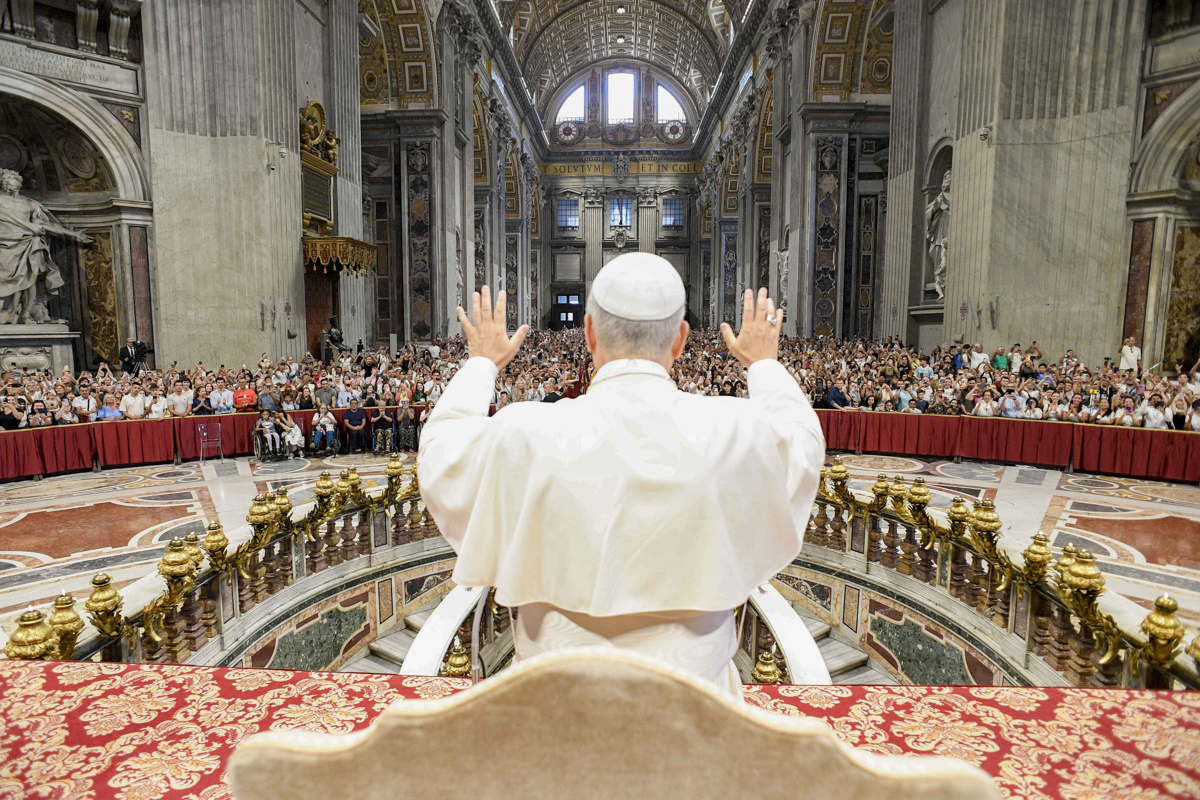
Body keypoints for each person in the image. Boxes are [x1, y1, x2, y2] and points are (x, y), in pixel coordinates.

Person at [419, 254, 828, 698]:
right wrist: (764, 364)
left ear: (589, 333)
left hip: (550, 708)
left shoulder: (524, 431)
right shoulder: (735, 428)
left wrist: (482, 363)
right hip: (699, 715)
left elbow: (442, 455)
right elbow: (804, 446)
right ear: (680, 339)